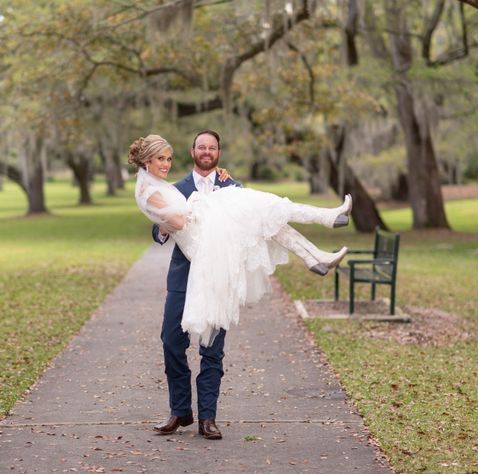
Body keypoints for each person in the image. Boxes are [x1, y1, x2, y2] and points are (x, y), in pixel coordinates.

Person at [128, 131, 351, 440]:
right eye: (201, 147)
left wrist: (218, 197)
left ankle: (208, 417)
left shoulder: (230, 185)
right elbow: (160, 228)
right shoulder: (173, 186)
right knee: (171, 342)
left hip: (219, 267)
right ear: (193, 152)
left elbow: (253, 221)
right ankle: (180, 410)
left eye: (212, 147)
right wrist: (173, 223)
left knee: (212, 348)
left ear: (218, 152)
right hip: (186, 273)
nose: (206, 152)